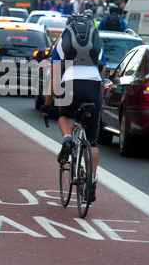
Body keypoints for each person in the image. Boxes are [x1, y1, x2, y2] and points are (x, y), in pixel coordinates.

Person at [40, 15, 106, 203]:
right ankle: (91, 180)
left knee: (65, 115)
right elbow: (102, 75)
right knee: (92, 142)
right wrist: (99, 102)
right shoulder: (97, 43)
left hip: (70, 83)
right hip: (92, 85)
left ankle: (68, 139)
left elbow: (54, 76)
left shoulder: (62, 44)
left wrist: (47, 103)